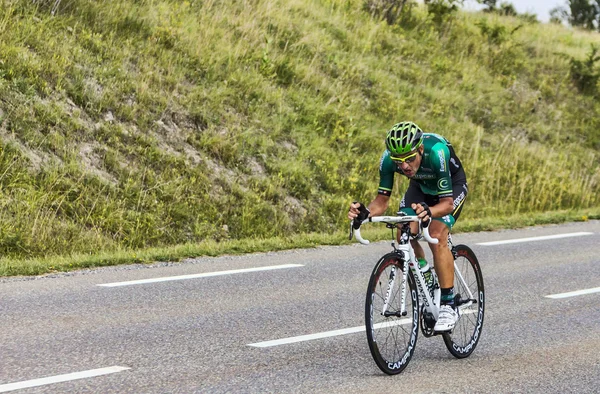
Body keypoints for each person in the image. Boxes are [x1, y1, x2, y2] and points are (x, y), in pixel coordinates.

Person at [348, 121, 468, 332]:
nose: (404, 167)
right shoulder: (387, 159)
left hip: (451, 187)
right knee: (403, 230)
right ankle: (428, 281)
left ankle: (449, 303)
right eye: (399, 162)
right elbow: (382, 201)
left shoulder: (436, 152)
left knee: (436, 233)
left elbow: (447, 204)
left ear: (420, 149)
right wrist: (365, 212)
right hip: (420, 188)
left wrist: (429, 212)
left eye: (410, 159)